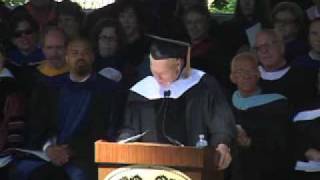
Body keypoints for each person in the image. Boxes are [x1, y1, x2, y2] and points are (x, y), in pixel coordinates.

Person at [118, 36, 236, 170]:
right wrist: (124, 140)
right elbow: (130, 127)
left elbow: (221, 124)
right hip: (149, 167)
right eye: (154, 72)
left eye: (163, 73)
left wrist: (222, 144)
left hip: (193, 167)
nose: (157, 78)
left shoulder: (203, 86)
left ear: (179, 64)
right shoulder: (141, 90)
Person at [11, 38, 119, 180]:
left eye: (85, 53)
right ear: (67, 58)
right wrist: (48, 148)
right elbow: (38, 124)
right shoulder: (51, 87)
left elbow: (105, 130)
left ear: (92, 57)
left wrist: (71, 150)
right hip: (48, 154)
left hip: (84, 155)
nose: (80, 57)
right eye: (75, 53)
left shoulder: (106, 89)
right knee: (20, 170)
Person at [229, 52, 291, 180]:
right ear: (233, 77)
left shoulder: (276, 104)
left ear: (258, 74)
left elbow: (282, 144)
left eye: (250, 70)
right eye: (240, 71)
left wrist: (250, 142)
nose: (246, 76)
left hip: (266, 173)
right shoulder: (225, 105)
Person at [254, 29, 317, 110]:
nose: (264, 51)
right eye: (259, 48)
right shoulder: (251, 77)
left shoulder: (303, 76)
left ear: (281, 47)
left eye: (268, 45)